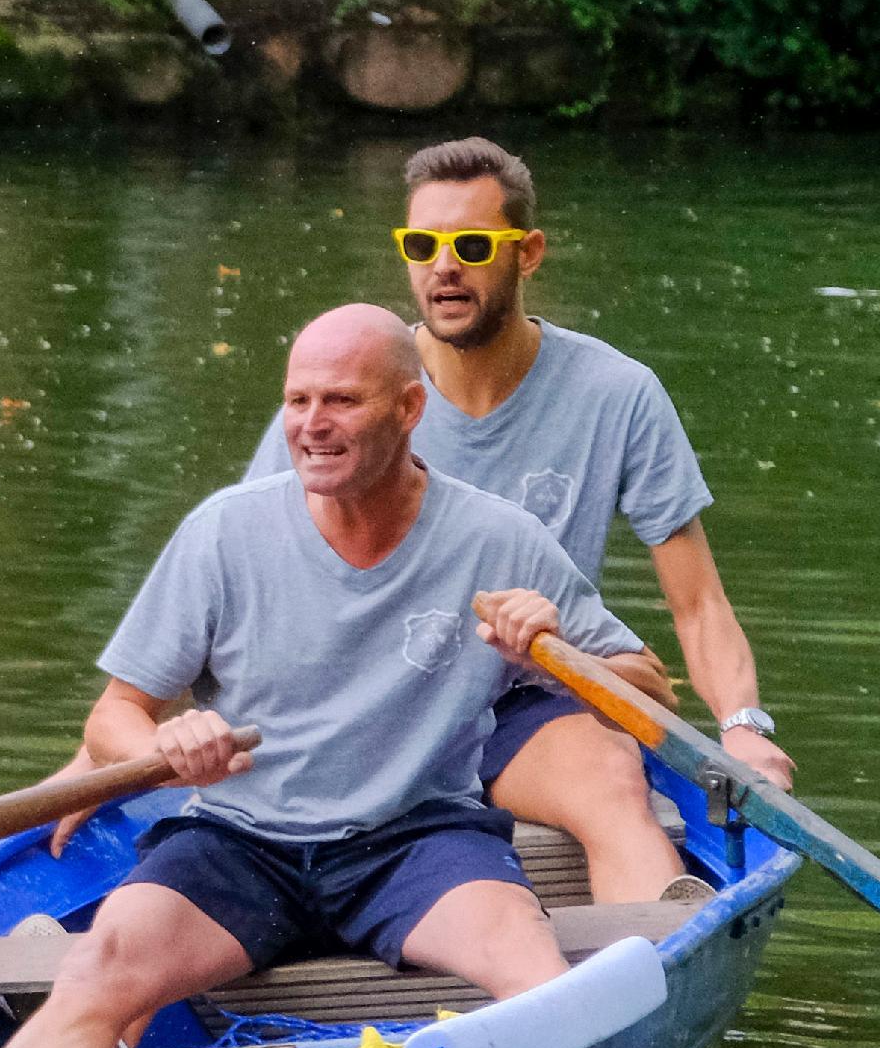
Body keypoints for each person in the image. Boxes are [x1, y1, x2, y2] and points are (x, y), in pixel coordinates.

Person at [0, 305, 656, 1048]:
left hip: (414, 841)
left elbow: (651, 693)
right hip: (241, 843)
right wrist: (165, 744)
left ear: (411, 409)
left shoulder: (499, 538)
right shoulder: (223, 533)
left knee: (529, 960)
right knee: (96, 969)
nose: (313, 424)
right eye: (298, 400)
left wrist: (558, 653)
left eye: (342, 400)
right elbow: (115, 715)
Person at [241, 138, 797, 902]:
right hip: (365, 704)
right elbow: (237, 580)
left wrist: (743, 728)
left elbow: (697, 605)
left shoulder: (617, 393)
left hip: (521, 704)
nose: (444, 267)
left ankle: (637, 973)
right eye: (422, 245)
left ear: (527, 253)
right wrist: (110, 742)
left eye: (471, 245)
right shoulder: (343, 395)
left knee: (612, 775)